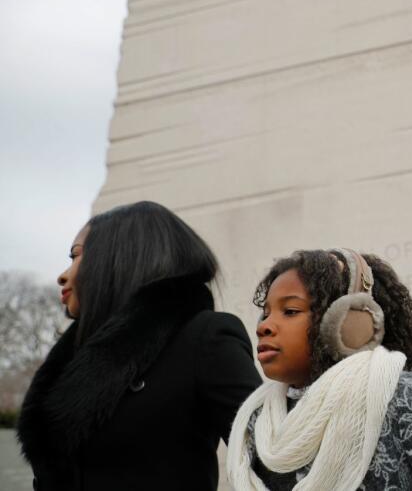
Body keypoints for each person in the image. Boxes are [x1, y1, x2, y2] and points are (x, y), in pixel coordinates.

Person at [17, 200, 261, 490]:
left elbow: (272, 462)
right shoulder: (69, 362)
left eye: (77, 256)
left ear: (122, 258)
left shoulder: (204, 338)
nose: (63, 274)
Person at [227, 249, 412, 490]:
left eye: (290, 311)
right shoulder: (257, 422)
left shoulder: (398, 395)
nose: (264, 326)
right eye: (265, 314)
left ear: (347, 322)